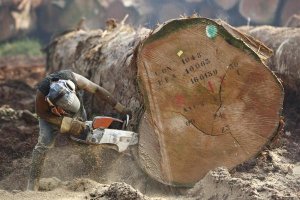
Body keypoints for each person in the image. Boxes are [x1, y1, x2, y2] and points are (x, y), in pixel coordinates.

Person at [27, 69, 131, 191]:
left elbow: (97, 90)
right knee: (44, 144)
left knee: (84, 138)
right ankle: (32, 185)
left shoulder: (75, 80)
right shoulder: (42, 94)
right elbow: (41, 113)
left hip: (76, 111)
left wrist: (120, 108)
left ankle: (95, 173)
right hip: (49, 116)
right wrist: (65, 122)